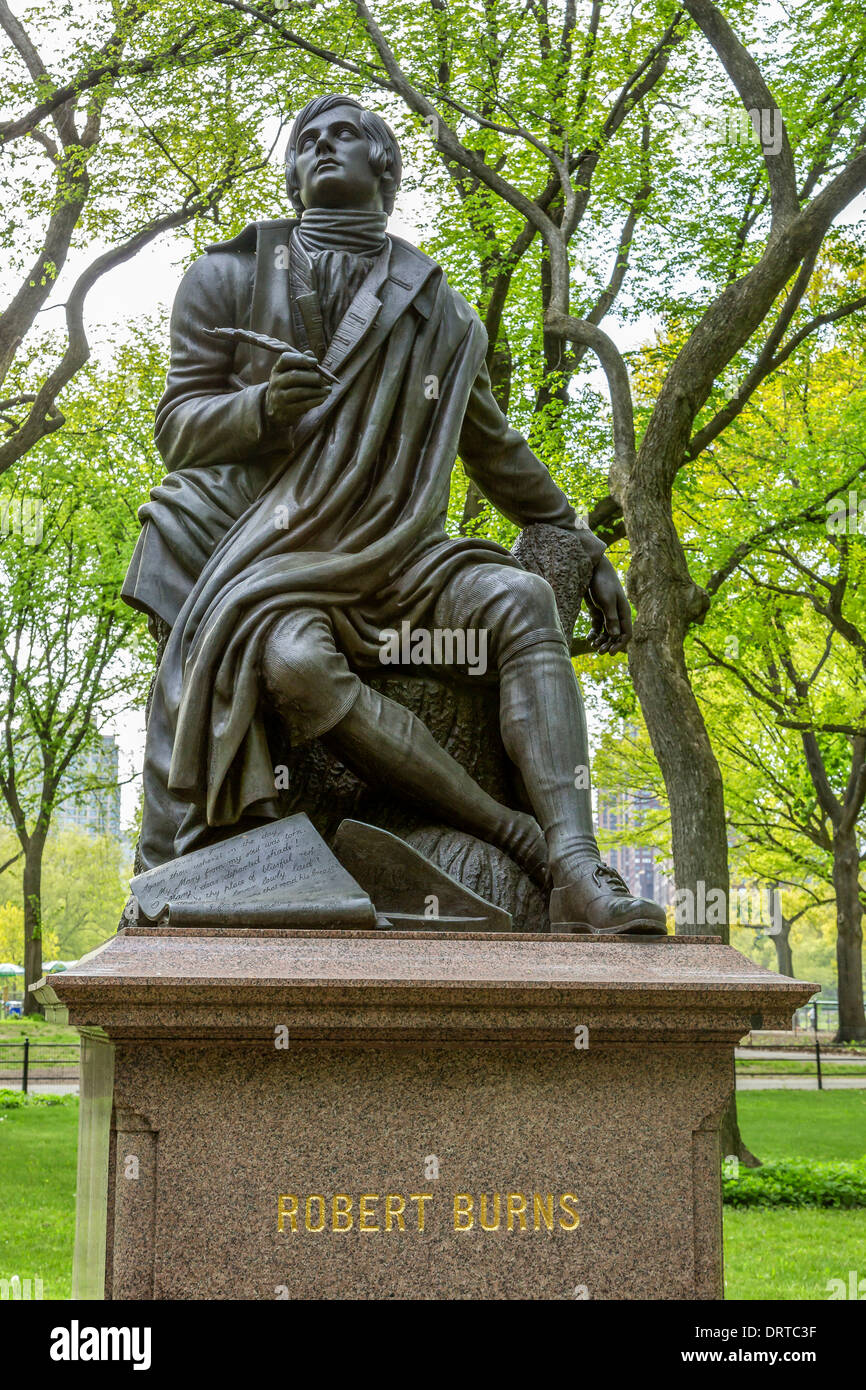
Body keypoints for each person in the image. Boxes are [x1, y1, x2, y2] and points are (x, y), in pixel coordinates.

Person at [123, 94, 666, 935]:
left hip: (398, 555)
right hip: (275, 557)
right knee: (296, 664)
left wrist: (576, 530)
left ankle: (577, 863)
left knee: (520, 601)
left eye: (343, 136)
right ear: (294, 173)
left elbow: (492, 445)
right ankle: (507, 831)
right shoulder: (226, 279)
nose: (321, 149)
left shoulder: (441, 312)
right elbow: (177, 429)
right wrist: (261, 409)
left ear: (385, 166)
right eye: (305, 142)